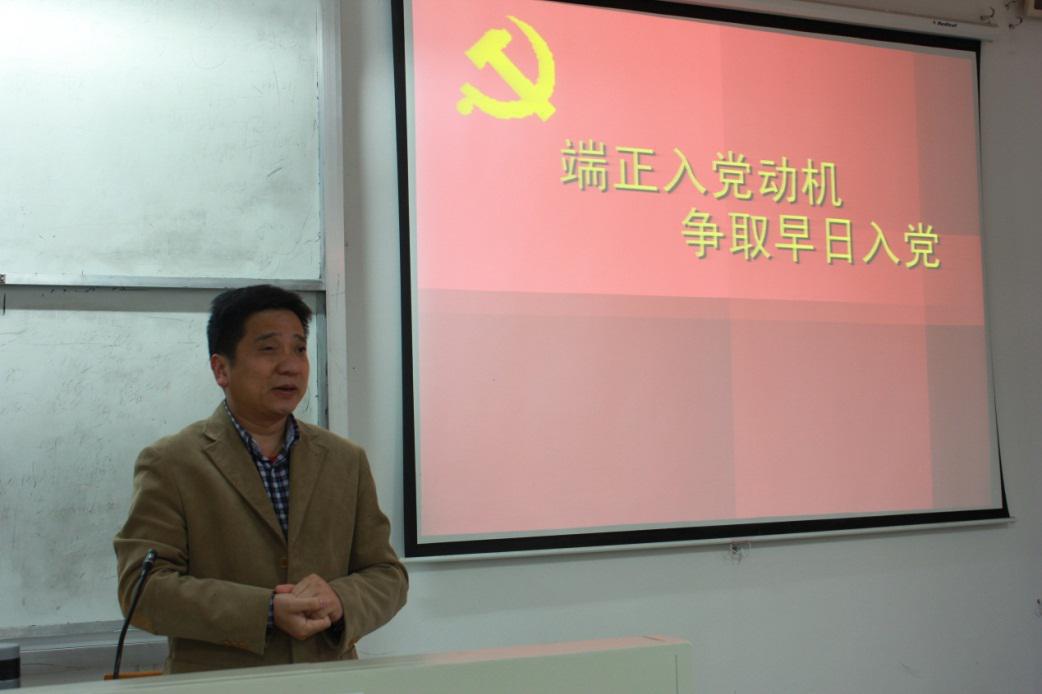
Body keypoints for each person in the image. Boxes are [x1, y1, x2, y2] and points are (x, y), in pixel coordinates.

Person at [114, 285, 407, 673]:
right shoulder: (172, 462)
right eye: (269, 349)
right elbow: (142, 589)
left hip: (327, 680)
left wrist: (340, 599)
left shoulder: (345, 460)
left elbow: (387, 575)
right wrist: (264, 610)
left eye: (299, 349)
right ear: (221, 369)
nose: (290, 366)